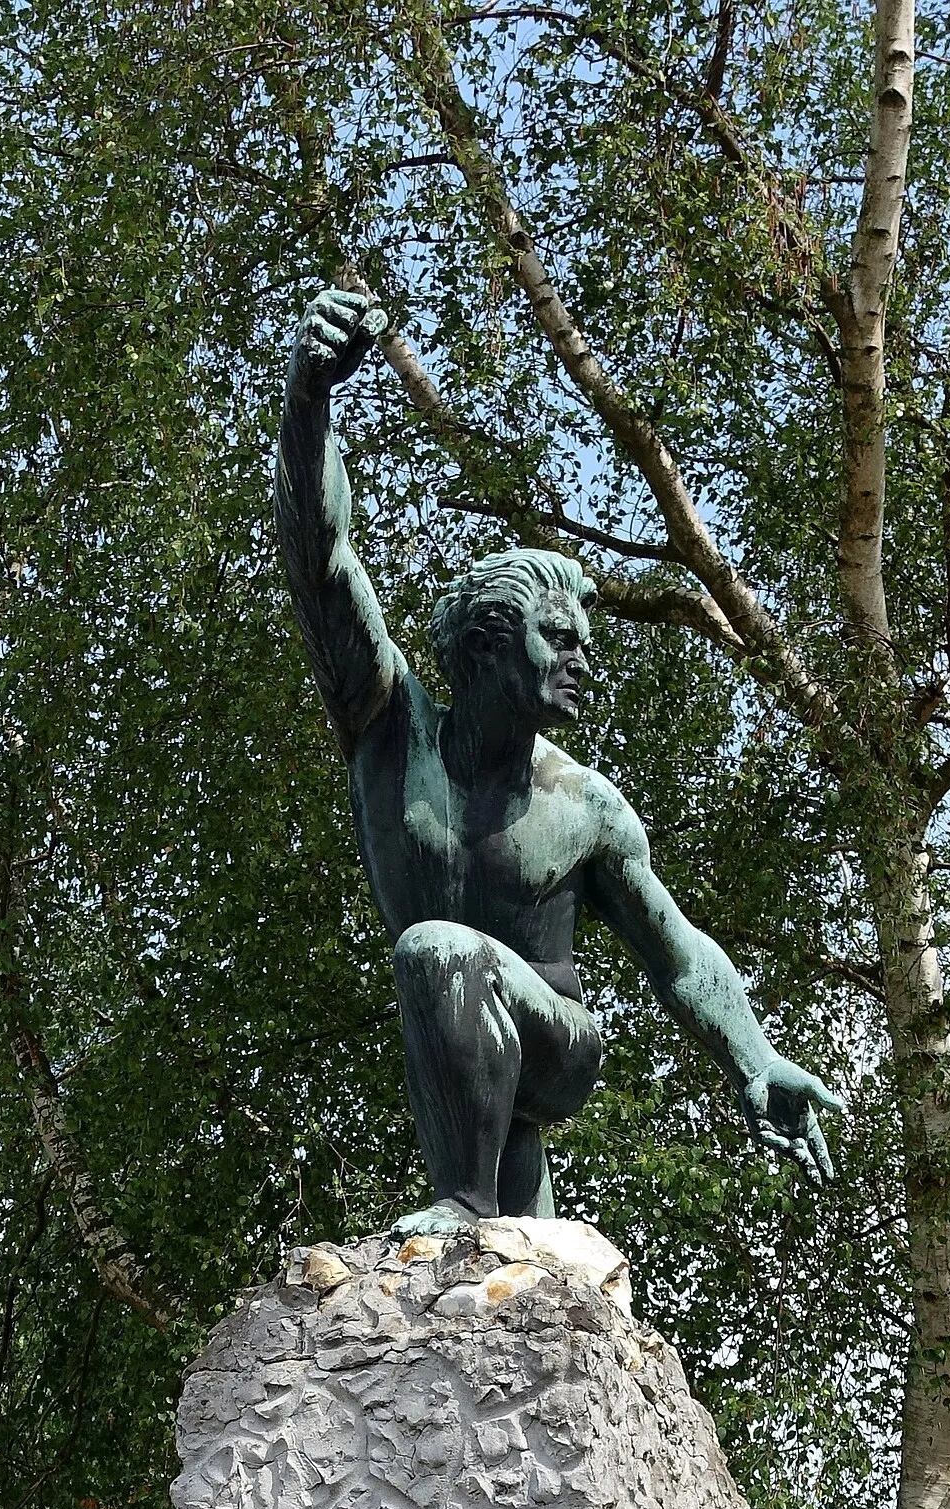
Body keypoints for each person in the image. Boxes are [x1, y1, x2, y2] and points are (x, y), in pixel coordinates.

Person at [274, 286, 842, 1226]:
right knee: (447, 984)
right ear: (491, 645)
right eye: (557, 635)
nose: (582, 657)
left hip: (560, 1040)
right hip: (467, 1034)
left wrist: (756, 1058)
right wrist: (307, 407)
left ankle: (462, 1209)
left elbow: (677, 949)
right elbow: (321, 558)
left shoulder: (586, 807)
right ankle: (501, 1229)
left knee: (437, 952)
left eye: (583, 638)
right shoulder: (388, 729)